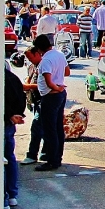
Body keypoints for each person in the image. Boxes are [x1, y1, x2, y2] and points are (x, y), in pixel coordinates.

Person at [32, 35, 70, 171]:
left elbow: (48, 81)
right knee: (58, 127)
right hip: (60, 95)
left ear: (39, 48)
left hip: (51, 96)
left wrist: (56, 86)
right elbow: (67, 71)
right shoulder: (59, 54)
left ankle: (51, 161)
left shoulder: (46, 60)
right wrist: (58, 79)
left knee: (50, 130)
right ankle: (57, 158)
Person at [4, 65, 26, 209]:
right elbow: (22, 97)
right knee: (10, 158)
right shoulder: (14, 79)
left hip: (3, 122)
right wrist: (17, 114)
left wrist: (10, 115)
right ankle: (12, 195)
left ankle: (4, 199)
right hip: (10, 124)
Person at [19, 47, 44, 165]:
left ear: (37, 54)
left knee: (36, 127)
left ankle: (32, 155)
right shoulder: (33, 66)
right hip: (35, 100)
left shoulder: (43, 66)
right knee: (42, 128)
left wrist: (28, 87)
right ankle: (44, 154)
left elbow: (43, 85)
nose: (30, 60)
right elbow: (30, 79)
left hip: (43, 100)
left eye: (30, 57)